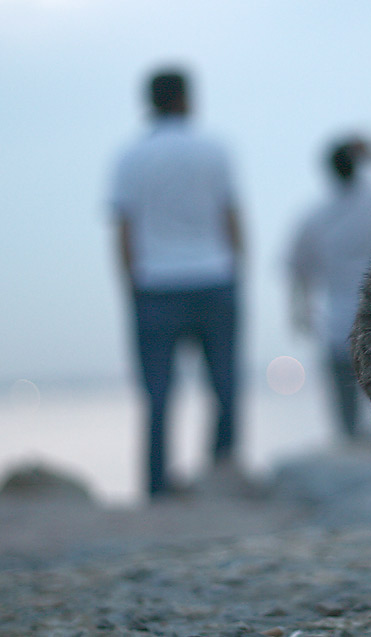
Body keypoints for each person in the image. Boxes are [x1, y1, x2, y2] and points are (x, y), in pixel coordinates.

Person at [110, 68, 247, 500]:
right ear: (187, 99)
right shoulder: (215, 150)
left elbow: (124, 230)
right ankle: (220, 475)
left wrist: (131, 285)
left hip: (155, 284)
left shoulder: (130, 156)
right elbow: (231, 218)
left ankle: (156, 487)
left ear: (150, 100)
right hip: (214, 276)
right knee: (224, 383)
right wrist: (235, 271)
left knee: (157, 394)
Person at [288, 137, 371, 440]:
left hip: (337, 330)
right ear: (359, 165)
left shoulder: (315, 216)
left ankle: (350, 449)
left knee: (346, 424)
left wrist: (299, 310)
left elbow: (297, 267)